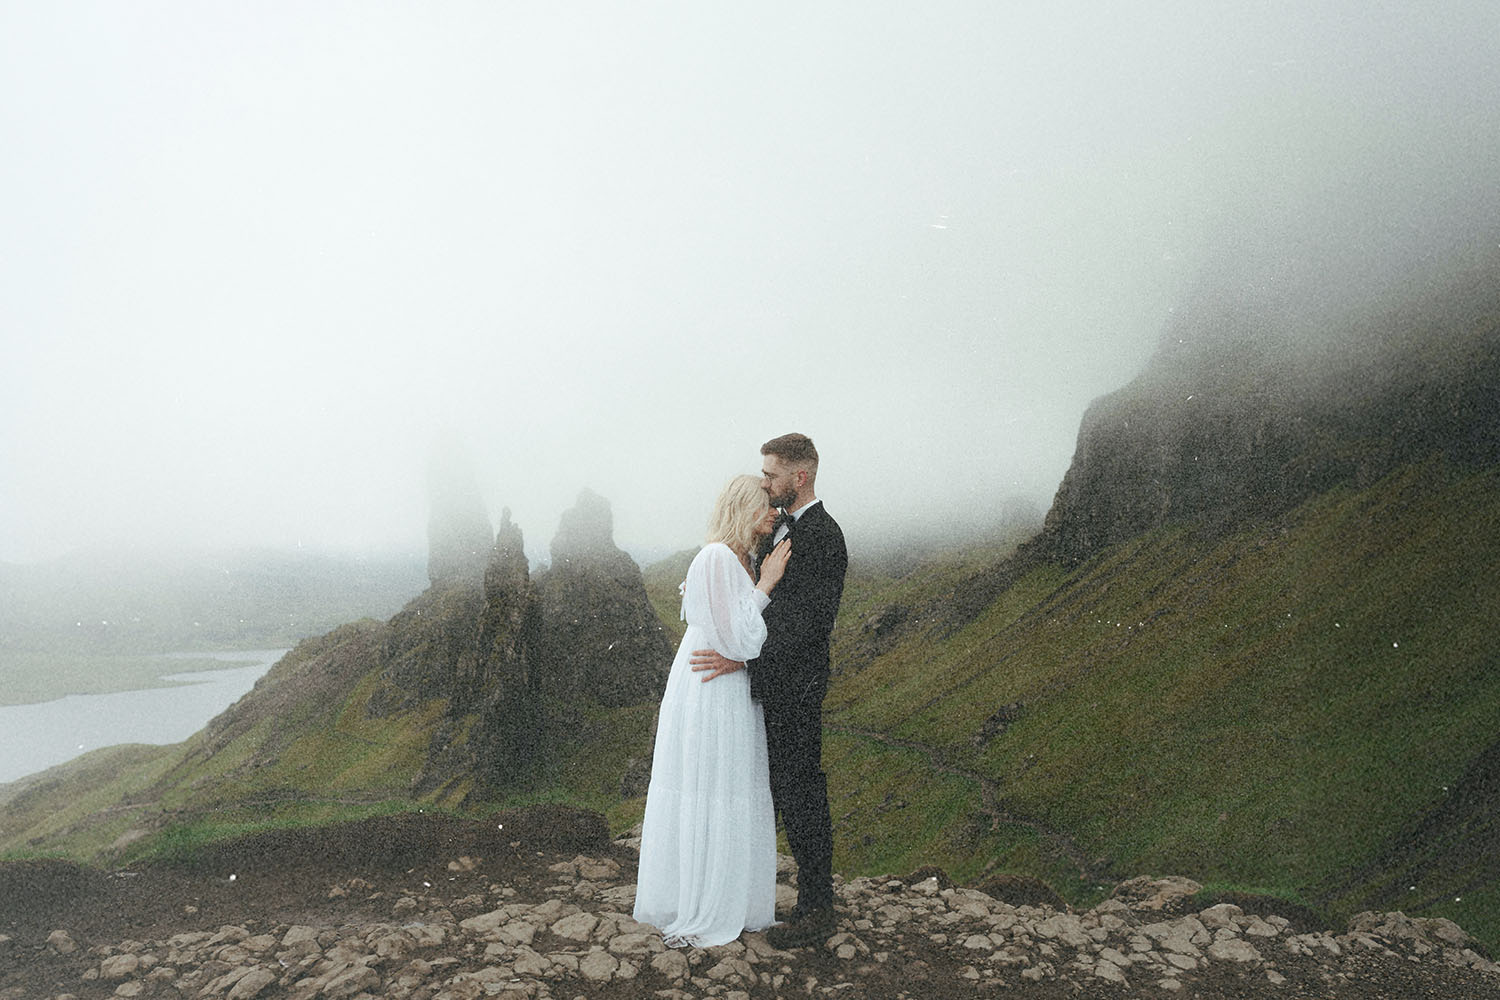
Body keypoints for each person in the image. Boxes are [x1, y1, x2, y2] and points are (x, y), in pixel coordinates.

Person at [691, 433, 848, 950]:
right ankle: (803, 900)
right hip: (769, 686)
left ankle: (816, 908)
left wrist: (741, 659)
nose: (765, 482)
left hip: (796, 688)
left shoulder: (824, 536)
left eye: (771, 474)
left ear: (799, 477)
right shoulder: (781, 526)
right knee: (781, 790)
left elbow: (807, 626)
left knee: (801, 789)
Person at [633, 475, 793, 948]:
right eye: (766, 505)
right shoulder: (719, 557)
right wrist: (766, 585)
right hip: (712, 681)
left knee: (726, 782)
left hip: (721, 677)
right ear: (744, 507)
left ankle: (725, 897)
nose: (774, 512)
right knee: (716, 782)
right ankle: (707, 902)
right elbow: (741, 638)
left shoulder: (734, 557)